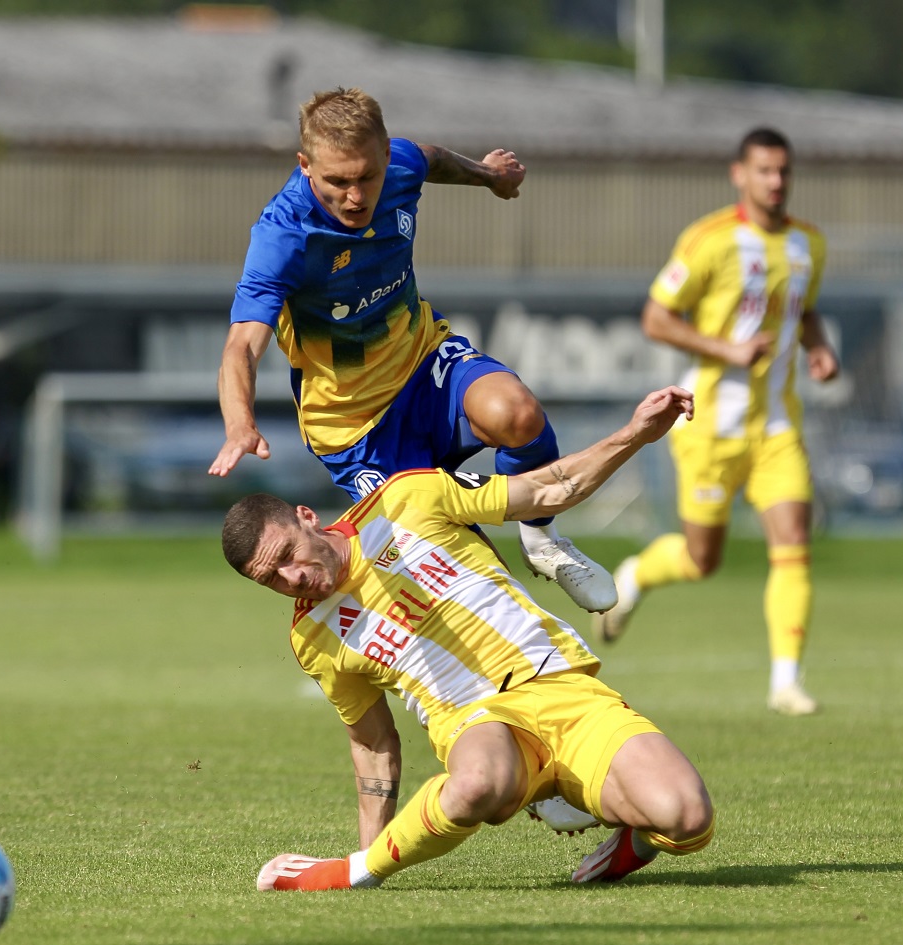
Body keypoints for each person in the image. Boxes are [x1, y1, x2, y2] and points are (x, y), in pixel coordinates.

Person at [220, 385, 714, 891]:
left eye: (286, 556)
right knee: (480, 780)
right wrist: (369, 852)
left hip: (560, 684)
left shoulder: (403, 500)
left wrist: (635, 434)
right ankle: (353, 873)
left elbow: (545, 491)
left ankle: (621, 839)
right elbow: (372, 744)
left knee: (689, 816)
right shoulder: (312, 636)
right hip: (472, 722)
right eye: (271, 579)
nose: (291, 579)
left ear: (307, 517)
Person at [209, 86, 616, 612]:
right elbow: (242, 344)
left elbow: (433, 158)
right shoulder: (283, 238)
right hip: (354, 424)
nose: (354, 197)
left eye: (366, 177)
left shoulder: (400, 164)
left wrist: (491, 177)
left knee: (516, 413)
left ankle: (542, 541)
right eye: (336, 182)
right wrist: (239, 423)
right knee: (467, 575)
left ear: (384, 155)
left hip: (422, 362)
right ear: (305, 165)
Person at [594, 127, 840, 717]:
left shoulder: (809, 244)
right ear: (740, 174)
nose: (776, 182)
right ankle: (637, 574)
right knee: (703, 560)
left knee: (794, 545)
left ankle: (786, 682)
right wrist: (725, 350)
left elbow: (802, 311)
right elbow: (656, 318)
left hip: (777, 427)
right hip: (708, 427)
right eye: (764, 171)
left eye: (783, 171)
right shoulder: (709, 240)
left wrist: (818, 347)